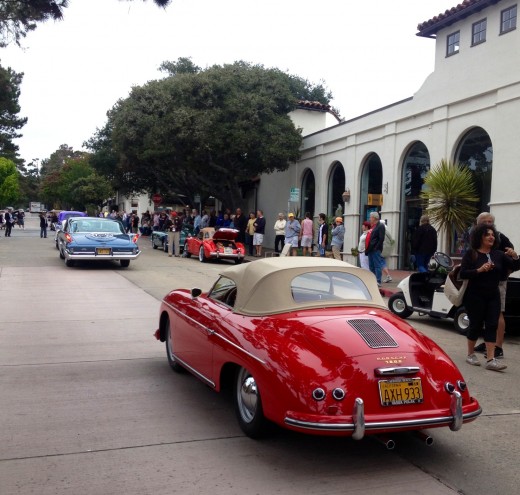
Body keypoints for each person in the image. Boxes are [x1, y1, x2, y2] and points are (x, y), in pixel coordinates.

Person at [460, 223, 520, 371]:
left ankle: (491, 359)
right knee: (476, 324)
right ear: (480, 237)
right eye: (488, 234)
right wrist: (479, 270)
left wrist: (515, 256)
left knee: (492, 324)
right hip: (475, 295)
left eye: (493, 235)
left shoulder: (498, 254)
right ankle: (470, 354)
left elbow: (516, 266)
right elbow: (463, 273)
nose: (491, 237)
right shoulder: (471, 254)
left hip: (493, 294)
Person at [472, 212, 514, 359]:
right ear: (478, 223)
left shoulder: (500, 237)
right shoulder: (476, 237)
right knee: (487, 314)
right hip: (481, 282)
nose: (489, 224)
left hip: (498, 281)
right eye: (485, 221)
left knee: (498, 313)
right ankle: (488, 342)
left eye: (491, 221)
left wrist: (504, 274)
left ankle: (498, 348)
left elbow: (512, 258)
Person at [365, 211, 385, 285]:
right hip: (370, 249)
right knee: (371, 266)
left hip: (375, 249)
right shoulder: (373, 226)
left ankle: (378, 280)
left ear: (374, 218)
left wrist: (376, 247)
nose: (370, 219)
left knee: (377, 265)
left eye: (370, 217)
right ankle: (373, 279)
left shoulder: (380, 226)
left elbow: (381, 238)